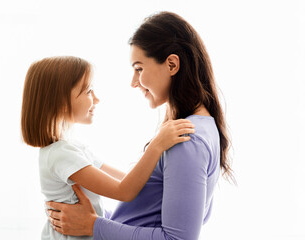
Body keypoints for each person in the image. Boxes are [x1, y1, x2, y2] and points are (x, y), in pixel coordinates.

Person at [46, 11, 234, 240]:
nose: (134, 82)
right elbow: (143, 213)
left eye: (139, 68)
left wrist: (94, 226)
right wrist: (93, 220)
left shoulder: (186, 138)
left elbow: (178, 239)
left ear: (172, 64)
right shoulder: (193, 129)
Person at [21, 56, 195, 240]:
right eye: (88, 91)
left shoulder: (73, 148)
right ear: (61, 102)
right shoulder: (61, 155)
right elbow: (124, 191)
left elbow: (127, 180)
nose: (96, 99)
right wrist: (157, 145)